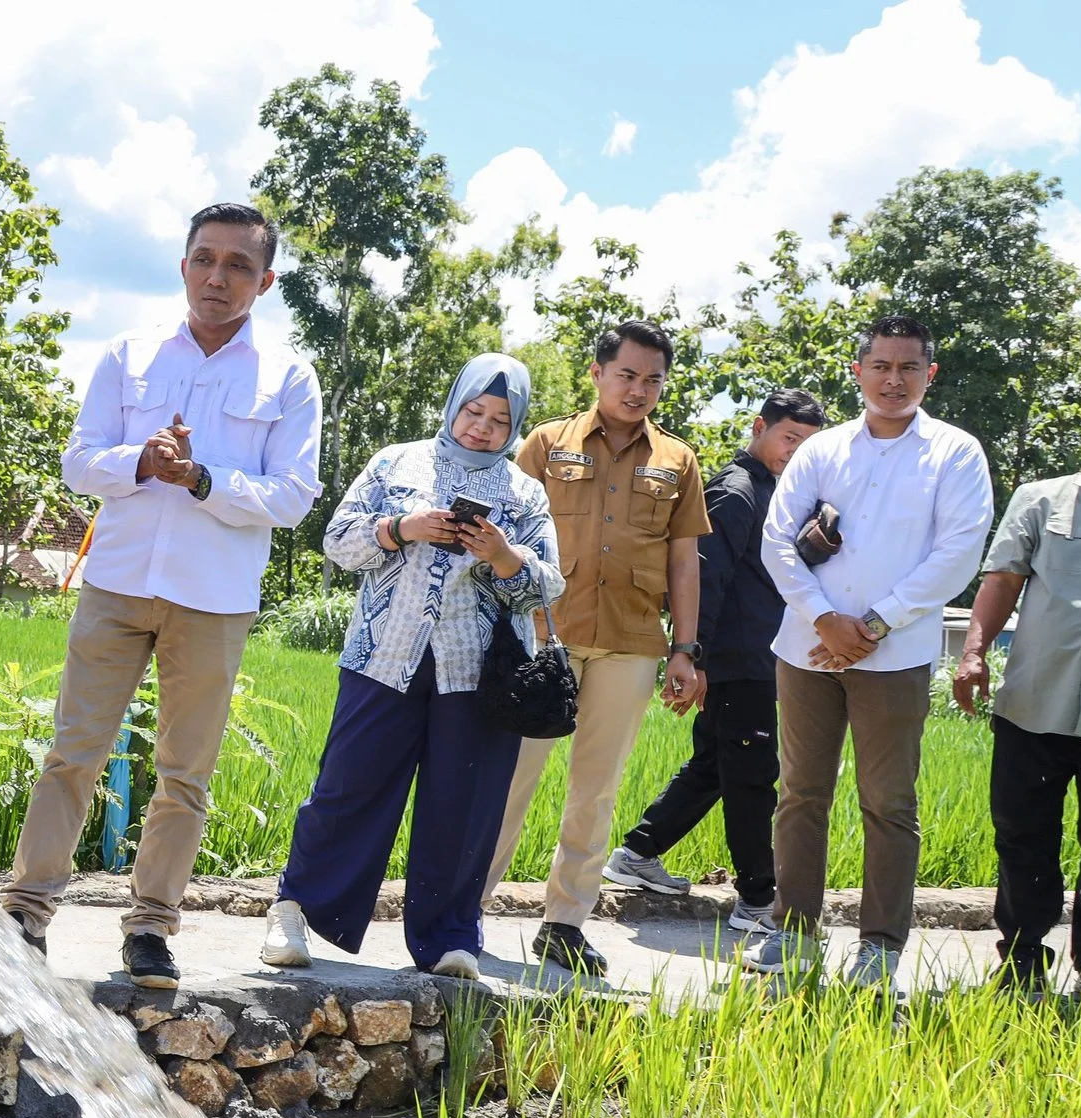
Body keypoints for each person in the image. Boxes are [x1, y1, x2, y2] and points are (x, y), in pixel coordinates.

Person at [0, 202, 324, 989]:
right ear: (183, 265)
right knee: (73, 753)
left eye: (238, 265)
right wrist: (140, 463)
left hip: (213, 600)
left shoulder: (286, 376)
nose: (218, 277)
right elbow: (80, 463)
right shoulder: (129, 352)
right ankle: (24, 914)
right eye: (204, 259)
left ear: (266, 281)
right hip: (116, 583)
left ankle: (151, 928)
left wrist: (203, 478)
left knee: (185, 774)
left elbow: (294, 496)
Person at [267, 354, 560, 978]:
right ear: (454, 405)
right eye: (473, 411)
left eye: (500, 420)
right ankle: (294, 912)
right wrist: (403, 527)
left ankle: (451, 936)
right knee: (347, 788)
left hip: (478, 675)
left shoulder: (525, 492)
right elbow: (338, 541)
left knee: (465, 801)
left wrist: (503, 555)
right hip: (383, 655)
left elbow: (546, 588)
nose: (482, 428)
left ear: (517, 427)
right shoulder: (396, 462)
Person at [745, 314, 993, 989]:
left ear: (928, 374)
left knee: (889, 802)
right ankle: (792, 933)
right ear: (858, 371)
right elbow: (778, 538)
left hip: (897, 655)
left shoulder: (955, 453)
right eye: (880, 365)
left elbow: (959, 551)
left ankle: (880, 943)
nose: (893, 379)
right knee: (800, 794)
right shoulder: (823, 449)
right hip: (806, 649)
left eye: (908, 367)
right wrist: (825, 618)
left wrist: (876, 624)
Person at [479, 319, 711, 978]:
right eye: (627, 375)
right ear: (597, 374)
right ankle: (464, 909)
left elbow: (685, 561)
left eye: (653, 380)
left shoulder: (678, 460)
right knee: (509, 779)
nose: (639, 390)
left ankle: (564, 923)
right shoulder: (546, 444)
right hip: (543, 635)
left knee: (596, 789)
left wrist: (685, 649)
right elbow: (503, 530)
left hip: (633, 643)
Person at [955, 387, 1081, 993]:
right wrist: (972, 653)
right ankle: (1021, 963)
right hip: (1032, 707)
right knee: (1022, 837)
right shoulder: (1041, 499)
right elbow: (1001, 581)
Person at [602, 389, 827, 935]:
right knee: (752, 774)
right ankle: (756, 899)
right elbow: (705, 576)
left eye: (807, 445)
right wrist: (694, 655)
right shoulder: (735, 490)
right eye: (788, 438)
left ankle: (637, 853)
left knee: (717, 765)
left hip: (759, 655)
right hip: (735, 658)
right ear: (759, 427)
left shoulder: (776, 489)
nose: (794, 452)